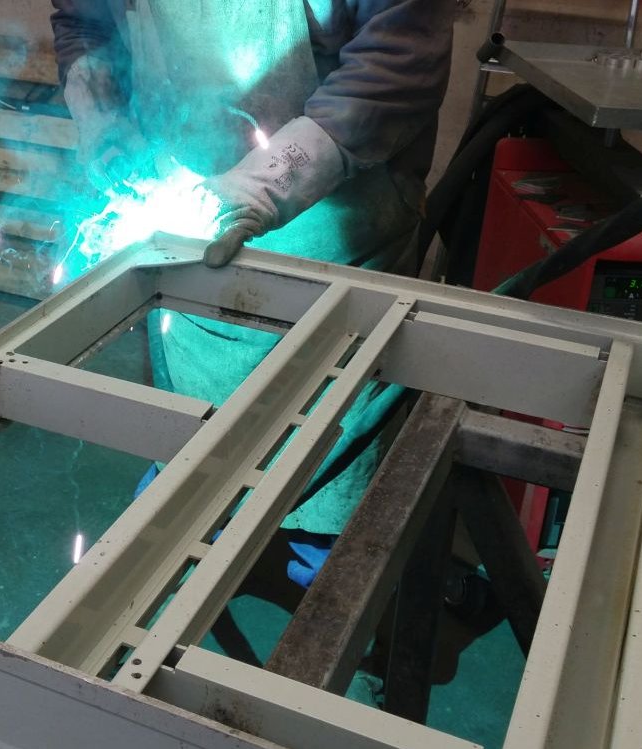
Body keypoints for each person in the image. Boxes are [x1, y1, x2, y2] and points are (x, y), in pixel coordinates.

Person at [51, 2, 454, 588]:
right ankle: (191, 506)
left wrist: (268, 183)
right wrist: (101, 112)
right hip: (189, 212)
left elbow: (397, 61)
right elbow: (83, 17)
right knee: (190, 467)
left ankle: (323, 560)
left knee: (334, 502)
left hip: (335, 228)